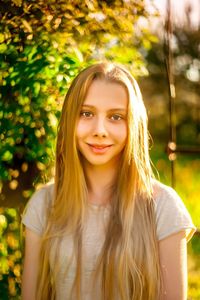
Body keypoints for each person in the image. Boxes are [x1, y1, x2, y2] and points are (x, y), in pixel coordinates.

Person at [21, 62, 196, 300]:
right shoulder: (43, 204)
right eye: (86, 113)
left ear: (133, 125)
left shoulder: (163, 207)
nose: (100, 130)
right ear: (70, 120)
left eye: (116, 116)